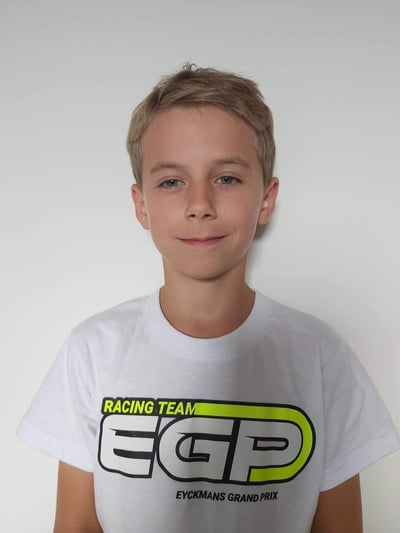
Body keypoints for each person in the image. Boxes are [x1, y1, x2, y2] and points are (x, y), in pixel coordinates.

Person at [18, 64, 400, 533]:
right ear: (142, 205)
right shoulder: (92, 350)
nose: (200, 204)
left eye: (227, 179)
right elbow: (76, 524)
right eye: (172, 181)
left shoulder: (319, 354)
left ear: (266, 199)